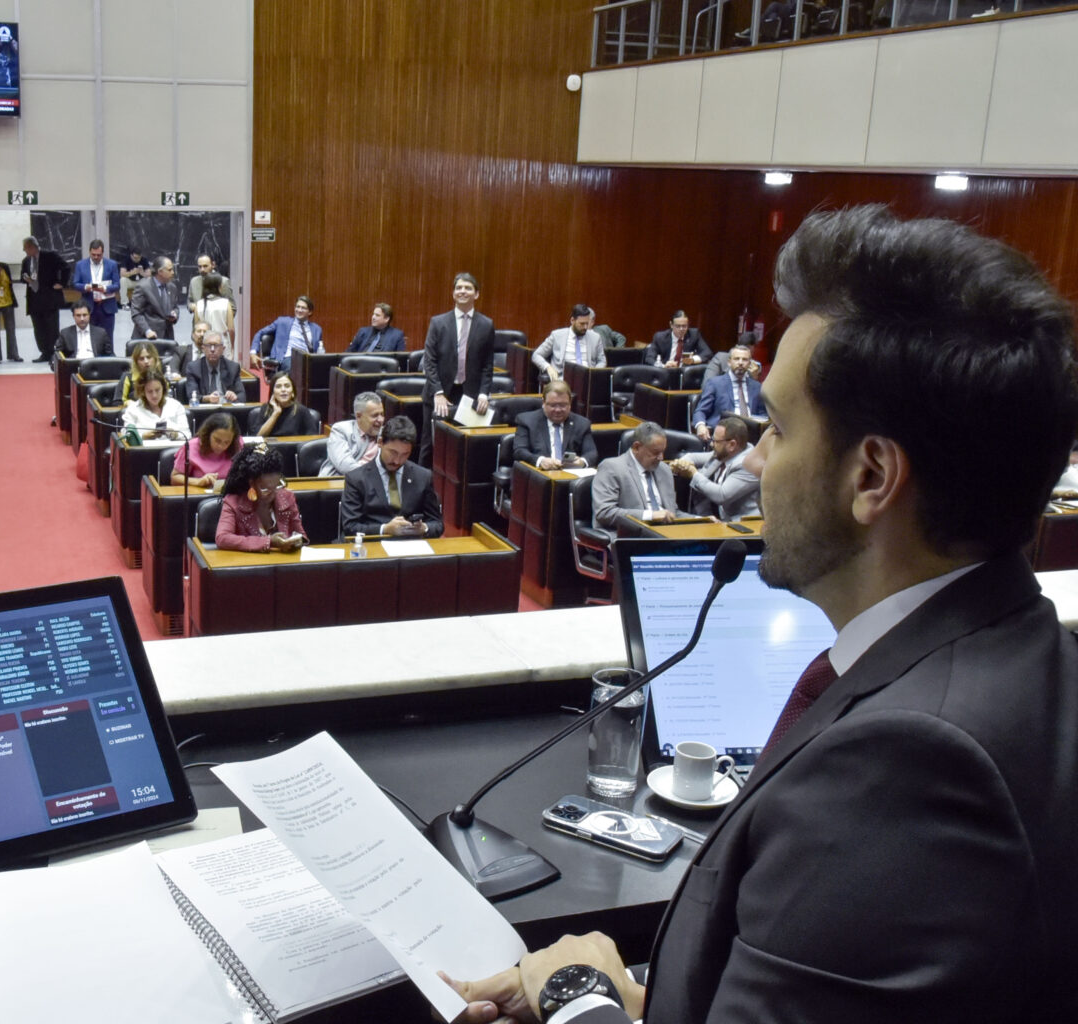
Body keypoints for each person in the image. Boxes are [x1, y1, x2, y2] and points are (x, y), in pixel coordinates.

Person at [453, 205, 1078, 1024]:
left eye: (778, 429)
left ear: (873, 477)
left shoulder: (909, 770)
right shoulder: (1030, 655)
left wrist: (581, 997)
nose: (751, 459)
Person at [421, 272, 494, 466]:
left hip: (469, 394)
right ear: (453, 293)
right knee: (431, 446)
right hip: (439, 393)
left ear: (476, 294)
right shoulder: (438, 322)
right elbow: (430, 361)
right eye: (459, 288)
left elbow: (487, 364)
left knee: (465, 447)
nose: (463, 291)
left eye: (468, 288)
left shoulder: (486, 324)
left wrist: (484, 394)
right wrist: (437, 392)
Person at [340, 415, 444, 538]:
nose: (397, 460)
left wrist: (424, 528)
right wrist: (385, 529)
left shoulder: (423, 476)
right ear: (380, 442)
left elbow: (437, 524)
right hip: (373, 547)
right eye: (393, 452)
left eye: (405, 454)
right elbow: (350, 526)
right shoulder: (356, 479)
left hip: (411, 546)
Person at [215, 446, 306, 553]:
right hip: (249, 565)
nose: (272, 494)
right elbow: (222, 538)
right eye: (265, 489)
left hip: (282, 564)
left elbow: (300, 534)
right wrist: (269, 541)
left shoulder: (287, 496)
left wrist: (298, 541)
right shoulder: (233, 502)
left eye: (277, 486)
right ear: (251, 483)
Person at [668, 415, 759, 520]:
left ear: (732, 445)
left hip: (743, 526)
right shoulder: (726, 453)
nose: (711, 444)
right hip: (721, 520)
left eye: (716, 441)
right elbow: (693, 457)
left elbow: (721, 495)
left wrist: (693, 474)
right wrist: (682, 463)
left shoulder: (748, 465)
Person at [591, 421, 674, 529]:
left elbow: (672, 512)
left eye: (663, 452)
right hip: (629, 535)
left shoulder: (664, 469)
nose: (661, 458)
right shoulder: (612, 467)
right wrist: (650, 515)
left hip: (666, 533)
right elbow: (605, 512)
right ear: (636, 447)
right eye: (655, 452)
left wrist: (700, 520)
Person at [513, 380, 597, 470]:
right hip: (539, 476)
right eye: (553, 405)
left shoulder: (582, 423)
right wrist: (540, 461)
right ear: (543, 403)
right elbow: (519, 451)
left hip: (569, 478)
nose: (558, 410)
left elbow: (592, 453)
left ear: (570, 403)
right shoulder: (526, 421)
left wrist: (581, 462)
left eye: (563, 405)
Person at [692, 342, 765, 441]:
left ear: (750, 363)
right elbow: (701, 411)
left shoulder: (757, 386)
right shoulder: (715, 384)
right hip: (722, 435)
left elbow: (762, 415)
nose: (740, 362)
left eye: (745, 359)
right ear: (729, 362)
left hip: (749, 435)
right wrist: (700, 426)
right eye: (736, 359)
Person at [21, 236, 69, 363]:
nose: (25, 252)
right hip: (34, 299)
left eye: (26, 249)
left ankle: (55, 353)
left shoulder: (49, 256)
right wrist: (26, 278)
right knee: (39, 328)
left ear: (33, 247)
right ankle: (44, 353)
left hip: (49, 298)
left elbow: (66, 267)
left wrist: (61, 283)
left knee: (52, 327)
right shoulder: (26, 261)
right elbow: (23, 276)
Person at [532, 303, 607, 379]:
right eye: (582, 324)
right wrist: (548, 367)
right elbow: (536, 355)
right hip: (563, 379)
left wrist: (595, 372)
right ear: (572, 320)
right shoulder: (557, 335)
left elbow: (602, 361)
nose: (585, 327)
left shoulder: (595, 337)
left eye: (587, 323)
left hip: (588, 379)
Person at [321, 391, 385, 476]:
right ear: (359, 416)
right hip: (339, 482)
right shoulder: (341, 430)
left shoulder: (386, 433)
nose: (380, 420)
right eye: (375, 415)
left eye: (382, 414)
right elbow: (345, 466)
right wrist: (373, 477)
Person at [250, 295, 323, 370]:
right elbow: (260, 333)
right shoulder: (282, 322)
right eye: (297, 307)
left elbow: (319, 349)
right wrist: (253, 353)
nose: (299, 310)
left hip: (308, 360)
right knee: (295, 367)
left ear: (310, 312)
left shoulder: (317, 329)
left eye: (303, 308)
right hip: (287, 358)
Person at [173, 411, 240, 487]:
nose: (221, 446)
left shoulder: (238, 446)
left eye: (227, 442)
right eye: (217, 440)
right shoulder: (191, 447)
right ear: (208, 434)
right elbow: (175, 478)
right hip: (199, 495)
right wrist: (198, 481)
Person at [122, 369, 190, 441]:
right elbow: (126, 436)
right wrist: (143, 436)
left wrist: (175, 434)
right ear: (143, 392)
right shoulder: (133, 409)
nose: (154, 395)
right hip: (145, 451)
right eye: (150, 391)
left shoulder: (176, 406)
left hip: (173, 450)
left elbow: (187, 435)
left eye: (157, 390)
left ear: (163, 388)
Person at [71, 238, 120, 340]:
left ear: (103, 253)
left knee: (107, 338)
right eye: (93, 255)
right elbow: (75, 284)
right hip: (89, 307)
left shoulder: (112, 265)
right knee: (90, 338)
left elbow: (117, 285)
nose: (96, 257)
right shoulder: (80, 265)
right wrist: (86, 287)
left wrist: (105, 288)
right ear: (89, 252)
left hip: (106, 307)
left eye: (99, 255)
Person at [248, 372, 319, 437]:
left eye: (287, 386)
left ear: (293, 392)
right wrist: (276, 414)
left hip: (294, 450)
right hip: (269, 450)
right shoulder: (266, 409)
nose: (283, 390)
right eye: (278, 386)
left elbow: (312, 438)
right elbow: (258, 437)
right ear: (273, 392)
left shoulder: (301, 410)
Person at [184, 331, 241, 404]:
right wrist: (207, 398)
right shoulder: (193, 368)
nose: (212, 349)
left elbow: (242, 396)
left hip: (227, 409)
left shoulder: (232, 367)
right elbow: (191, 395)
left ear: (223, 349)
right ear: (203, 348)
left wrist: (234, 396)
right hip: (203, 412)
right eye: (209, 345)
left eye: (216, 345)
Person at [643, 310, 713, 367]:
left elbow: (707, 353)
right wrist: (663, 366)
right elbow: (649, 358)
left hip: (685, 374)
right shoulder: (660, 337)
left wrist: (693, 360)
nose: (681, 329)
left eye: (684, 326)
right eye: (678, 326)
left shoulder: (694, 335)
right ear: (671, 325)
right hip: (666, 372)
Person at [130, 257, 178, 340]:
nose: (173, 273)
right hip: (147, 338)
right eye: (170, 270)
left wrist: (175, 314)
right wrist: (147, 331)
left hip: (167, 337)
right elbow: (136, 313)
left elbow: (175, 307)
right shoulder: (143, 286)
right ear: (160, 272)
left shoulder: (172, 287)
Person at [194, 273, 236, 350]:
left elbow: (196, 328)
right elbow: (231, 329)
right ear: (219, 287)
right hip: (222, 345)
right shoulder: (226, 303)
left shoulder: (199, 304)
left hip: (205, 345)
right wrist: (232, 347)